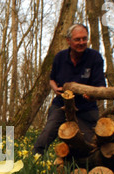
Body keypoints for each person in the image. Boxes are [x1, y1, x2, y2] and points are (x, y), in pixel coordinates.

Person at [33, 24, 107, 155]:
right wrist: (55, 89)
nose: (82, 42)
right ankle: (34, 161)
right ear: (68, 40)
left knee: (90, 144)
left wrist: (93, 95)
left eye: (84, 39)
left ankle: (86, 167)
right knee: (46, 134)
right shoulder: (60, 58)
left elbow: (101, 86)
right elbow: (52, 80)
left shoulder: (95, 57)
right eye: (77, 39)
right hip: (61, 104)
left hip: (86, 108)